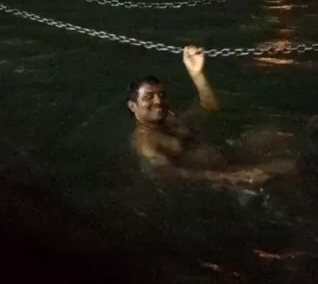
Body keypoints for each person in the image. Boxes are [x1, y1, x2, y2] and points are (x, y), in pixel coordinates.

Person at [127, 45, 298, 187]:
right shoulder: (146, 142)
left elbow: (208, 108)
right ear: (133, 106)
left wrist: (197, 75)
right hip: (219, 176)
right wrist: (231, 178)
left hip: (226, 157)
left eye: (161, 95)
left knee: (274, 133)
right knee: (290, 167)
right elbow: (172, 173)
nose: (158, 101)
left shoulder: (170, 117)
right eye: (148, 97)